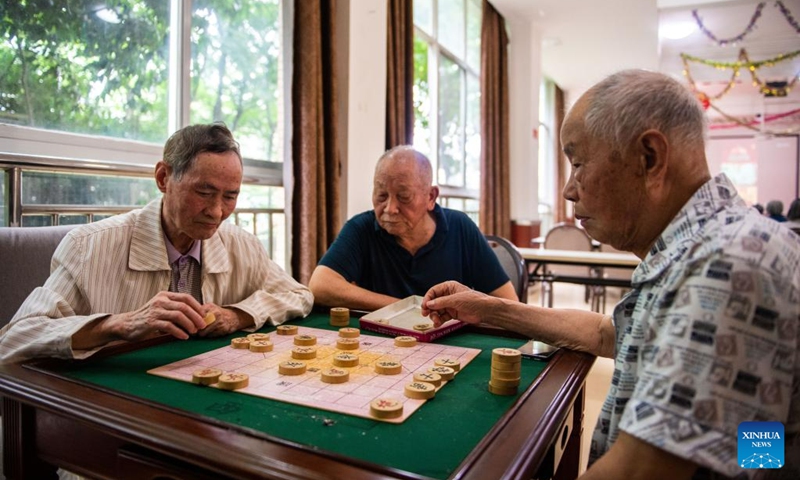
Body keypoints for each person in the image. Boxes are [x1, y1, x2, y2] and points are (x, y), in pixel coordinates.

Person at [422, 70, 799, 479]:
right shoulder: (708, 246)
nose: (568, 190)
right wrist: (487, 308)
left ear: (649, 158)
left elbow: (641, 472)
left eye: (578, 163)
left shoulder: (728, 263)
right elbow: (609, 334)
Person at [0, 123, 313, 364]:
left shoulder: (241, 245)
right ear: (164, 178)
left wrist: (238, 315)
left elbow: (299, 295)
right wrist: (121, 324)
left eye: (230, 196)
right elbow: (15, 338)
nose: (217, 212)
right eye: (204, 193)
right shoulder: (88, 247)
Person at [308, 146, 517, 311]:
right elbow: (320, 286)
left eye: (404, 197)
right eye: (381, 196)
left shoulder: (460, 228)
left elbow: (509, 302)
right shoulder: (361, 228)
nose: (389, 208)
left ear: (430, 197)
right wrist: (406, 308)